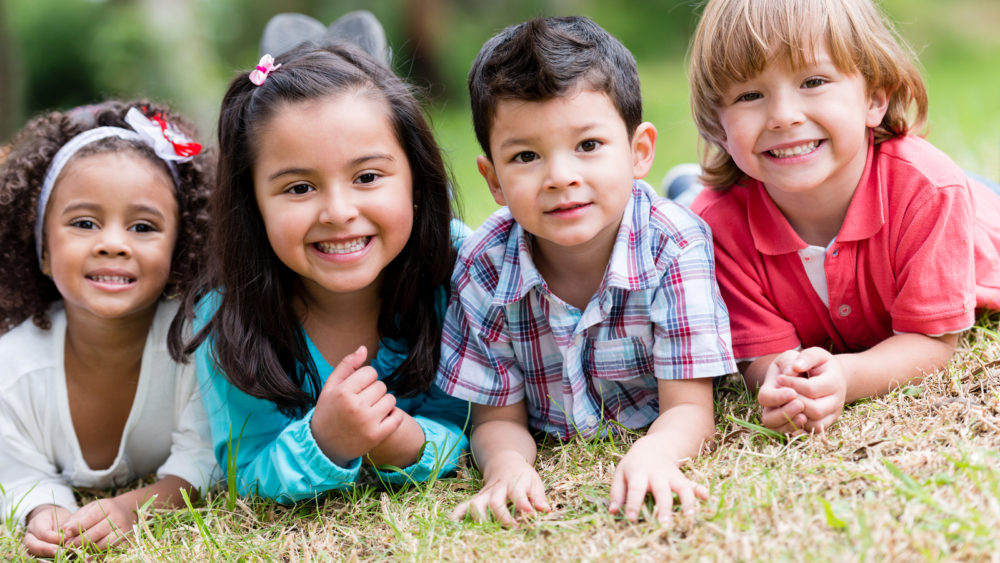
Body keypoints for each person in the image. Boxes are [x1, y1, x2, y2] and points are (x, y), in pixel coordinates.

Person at [435, 16, 736, 525]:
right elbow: (496, 417)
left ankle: (688, 187)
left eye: (588, 146)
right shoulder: (483, 265)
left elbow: (689, 407)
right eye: (527, 156)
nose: (561, 177)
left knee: (691, 210)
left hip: (665, 254)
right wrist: (505, 465)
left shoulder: (675, 245)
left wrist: (658, 451)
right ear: (494, 180)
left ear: (638, 151)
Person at [171, 43, 469, 503]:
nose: (338, 211)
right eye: (300, 187)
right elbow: (246, 469)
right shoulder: (231, 316)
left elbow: (476, 417)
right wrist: (323, 441)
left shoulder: (460, 266)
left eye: (367, 177)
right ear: (253, 206)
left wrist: (407, 444)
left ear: (417, 179)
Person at [687, 0, 1000, 434]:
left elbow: (933, 342)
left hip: (981, 211)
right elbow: (762, 356)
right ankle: (686, 184)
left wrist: (846, 377)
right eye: (750, 95)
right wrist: (787, 382)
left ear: (874, 98)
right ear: (717, 127)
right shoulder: (712, 230)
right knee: (691, 207)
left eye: (813, 81)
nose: (783, 116)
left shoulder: (930, 193)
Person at [0, 101, 219, 556]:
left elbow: (206, 457)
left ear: (180, 249)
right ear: (42, 248)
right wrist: (46, 512)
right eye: (84, 223)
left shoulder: (198, 347)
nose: (114, 245)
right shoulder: (11, 370)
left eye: (143, 226)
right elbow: (18, 472)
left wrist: (134, 508)